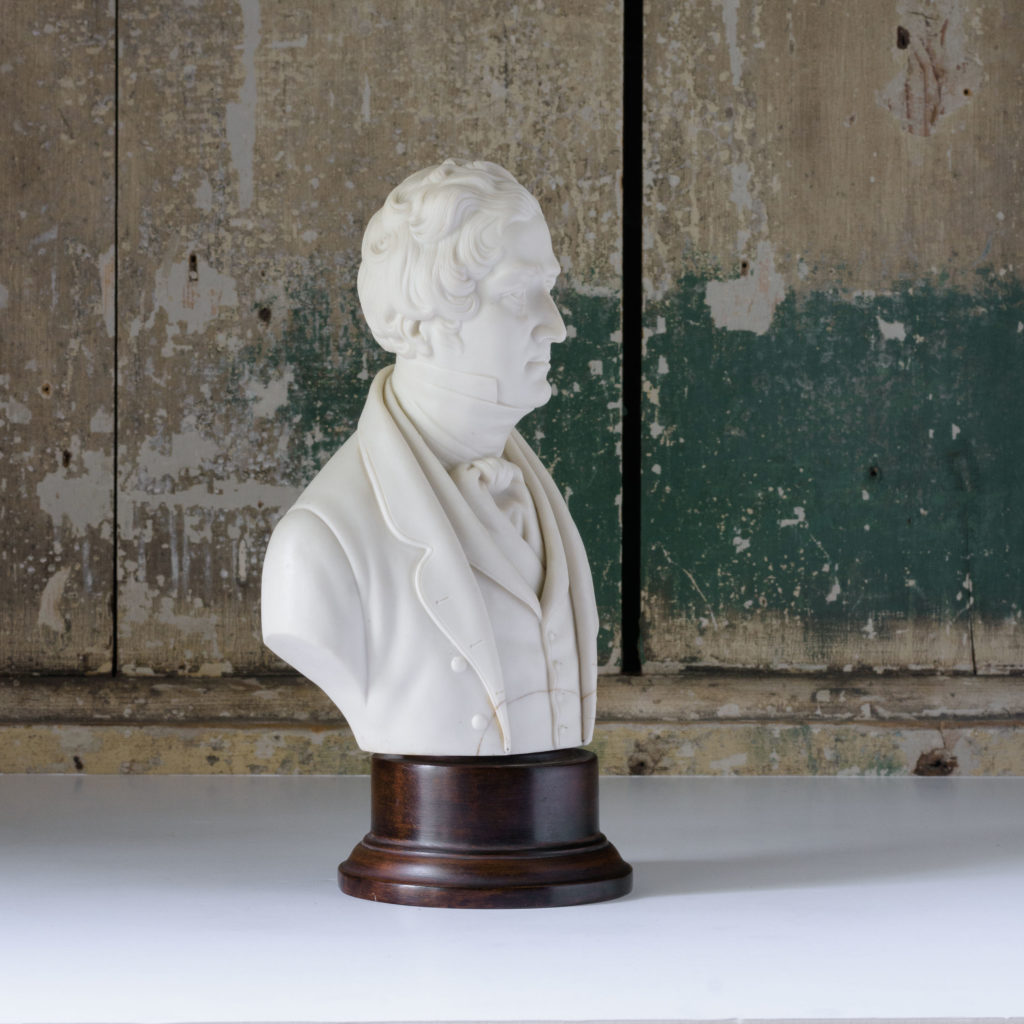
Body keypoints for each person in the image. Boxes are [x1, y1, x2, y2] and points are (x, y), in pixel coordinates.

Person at [261, 160, 598, 756]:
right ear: (426, 315)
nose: (556, 325)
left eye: (551, 290)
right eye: (522, 293)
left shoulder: (531, 492)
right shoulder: (319, 545)